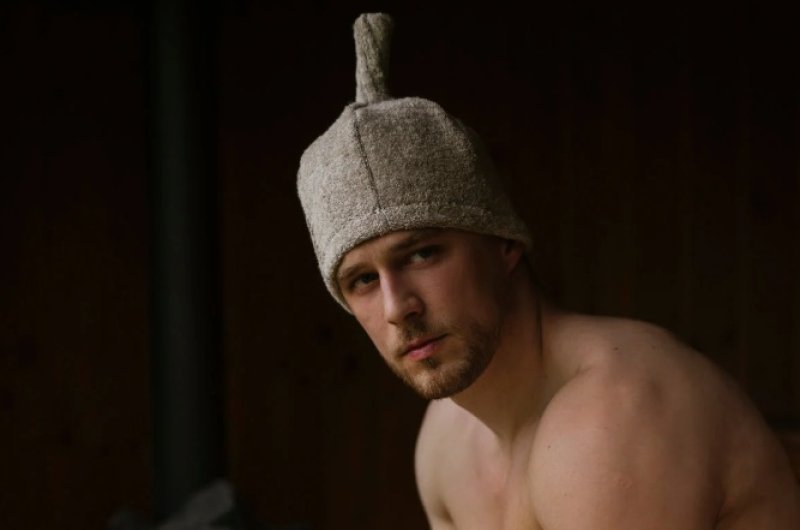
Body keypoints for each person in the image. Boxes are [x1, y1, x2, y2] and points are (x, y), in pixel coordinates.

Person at [297, 13, 800, 529]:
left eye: (422, 254)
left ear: (504, 244)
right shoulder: (446, 443)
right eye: (362, 280)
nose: (397, 306)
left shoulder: (612, 417)